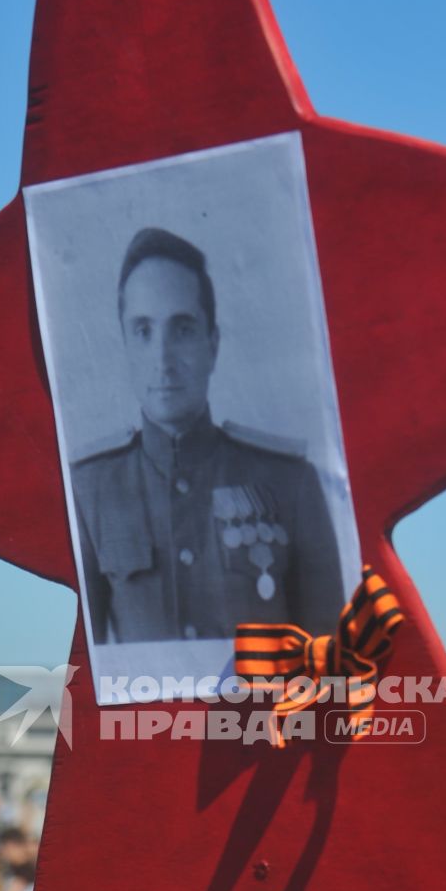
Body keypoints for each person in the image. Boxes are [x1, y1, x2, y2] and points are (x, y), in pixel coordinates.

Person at [71, 226, 344, 646]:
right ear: (125, 345)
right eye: (144, 331)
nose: (163, 360)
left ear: (212, 345)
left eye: (181, 330)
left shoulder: (290, 483)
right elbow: (82, 669)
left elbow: (331, 667)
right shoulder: (89, 493)